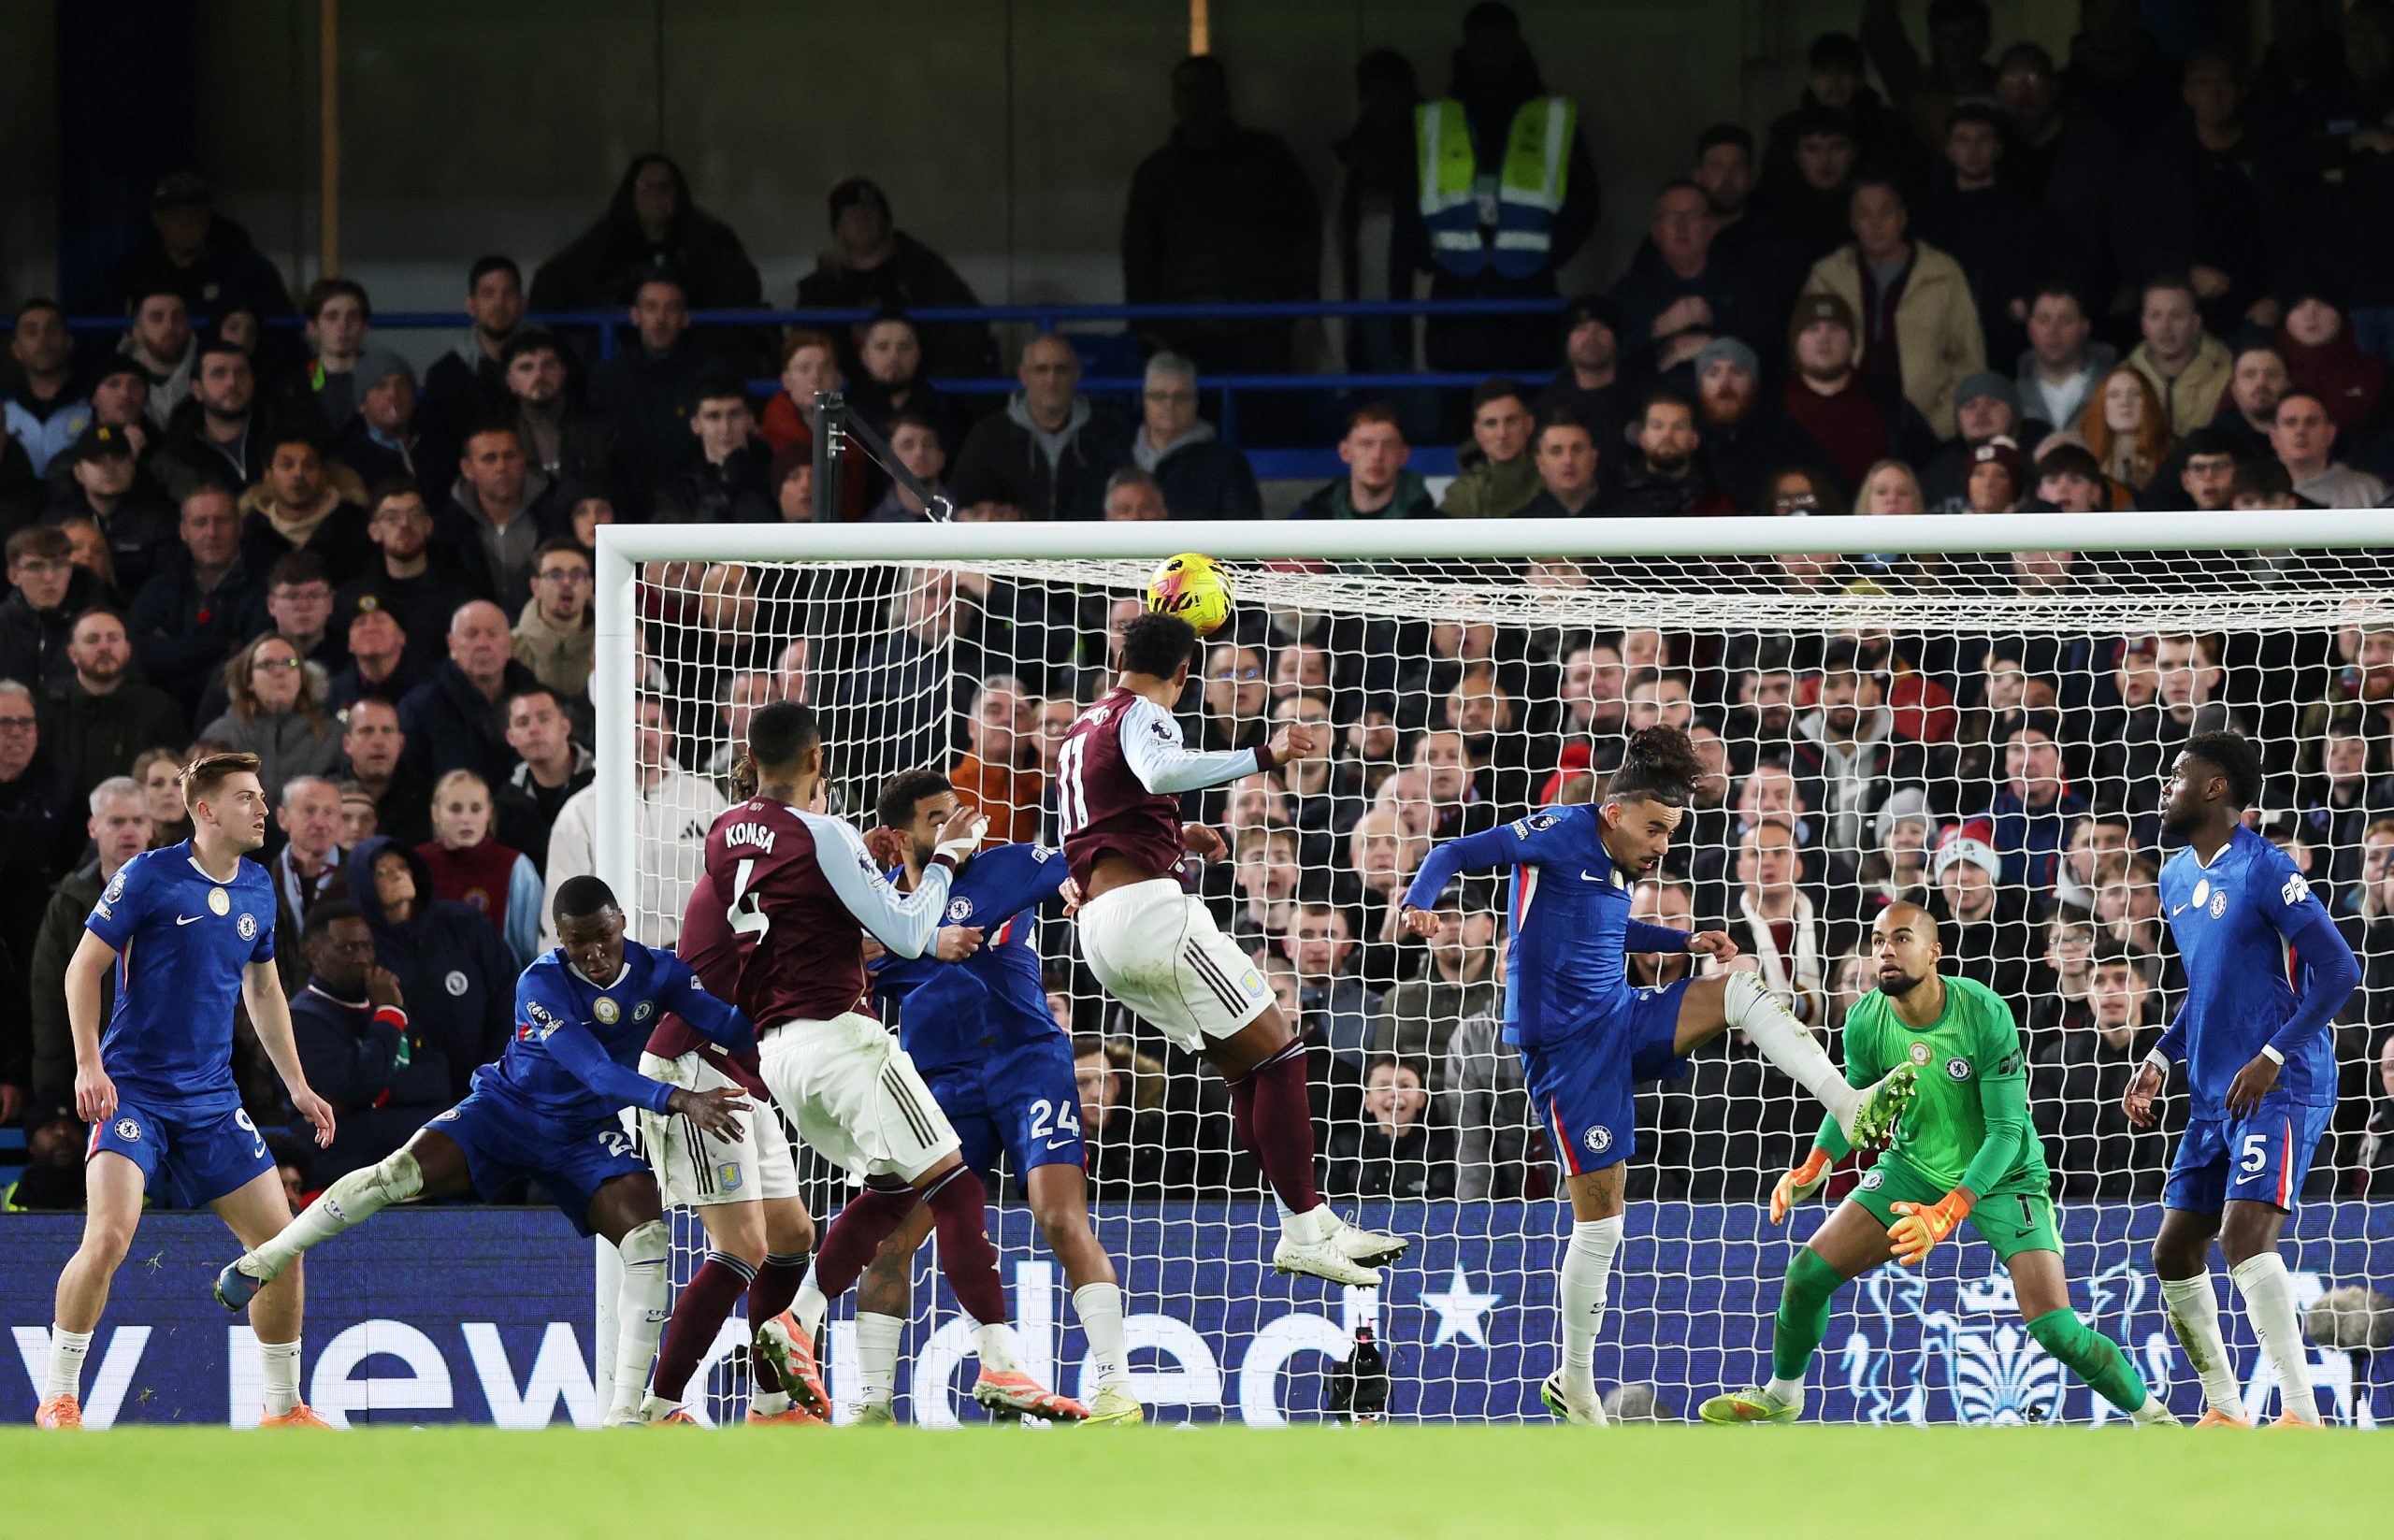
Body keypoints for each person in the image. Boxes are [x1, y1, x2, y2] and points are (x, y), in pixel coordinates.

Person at [1398, 725, 1918, 1424]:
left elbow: (1605, 930)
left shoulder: (1623, 861)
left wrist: (1683, 940)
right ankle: (1574, 1381)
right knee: (1602, 1226)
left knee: (1738, 989)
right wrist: (1419, 900)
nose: (1664, 845)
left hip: (1620, 1016)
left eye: (1671, 832)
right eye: (1655, 829)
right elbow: (1453, 852)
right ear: (1614, 812)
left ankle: (1848, 1105)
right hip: (1567, 1056)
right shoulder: (1557, 830)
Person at [213, 875, 756, 1427]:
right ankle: (269, 1258)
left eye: (602, 937)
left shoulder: (661, 973)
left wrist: (782, 1012)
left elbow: (730, 1026)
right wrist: (681, 1099)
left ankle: (627, 1417)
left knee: (648, 1239)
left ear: (621, 922)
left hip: (582, 1132)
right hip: (505, 1113)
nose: (593, 954)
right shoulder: (540, 982)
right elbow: (594, 1069)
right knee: (394, 1174)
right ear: (560, 938)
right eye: (577, 942)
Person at [701, 700, 1084, 1420]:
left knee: (887, 1193)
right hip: (842, 1039)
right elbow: (907, 932)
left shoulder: (723, 836)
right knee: (957, 1186)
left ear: (750, 761)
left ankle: (798, 1320)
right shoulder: (827, 833)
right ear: (816, 760)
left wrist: (876, 884)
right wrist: (944, 859)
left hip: (779, 1056)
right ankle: (1001, 1367)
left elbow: (811, 918)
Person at [1699, 903, 2173, 1427]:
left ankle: (2155, 1419)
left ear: (1934, 952)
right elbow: (1851, 1101)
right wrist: (1816, 1163)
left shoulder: (1983, 1012)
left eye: (1902, 939)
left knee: (2055, 1329)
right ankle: (1782, 1394)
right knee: (1806, 1275)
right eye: (1878, 941)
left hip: (2003, 1176)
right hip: (1913, 1165)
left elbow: (2007, 1131)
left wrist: (1949, 1210)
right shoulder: (1865, 1018)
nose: (1886, 951)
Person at [1063, 612, 1405, 1283]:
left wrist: (1176, 835)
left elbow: (1101, 821)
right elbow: (1161, 770)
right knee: (1283, 1052)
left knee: (1247, 1067)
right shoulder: (1145, 712)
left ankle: (1313, 1224)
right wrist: (1264, 755)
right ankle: (1304, 1228)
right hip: (1150, 916)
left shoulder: (1083, 725)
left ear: (1119, 659)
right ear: (1186, 672)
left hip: (1102, 927)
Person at [36, 752, 335, 1430]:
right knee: (108, 1237)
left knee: (280, 1248)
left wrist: (296, 1084)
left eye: (261, 797)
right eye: (246, 798)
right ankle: (59, 1396)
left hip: (212, 1101)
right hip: (134, 1094)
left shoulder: (257, 886)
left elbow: (264, 991)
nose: (263, 809)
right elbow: (83, 969)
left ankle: (282, 1409)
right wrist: (88, 1064)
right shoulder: (150, 875)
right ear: (205, 811)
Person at [841, 770, 1143, 1426]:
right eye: (937, 819)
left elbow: (1088, 859)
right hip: (939, 1082)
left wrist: (1102, 876)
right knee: (892, 1238)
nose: (958, 825)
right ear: (901, 837)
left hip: (1028, 1063)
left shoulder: (1007, 865)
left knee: (1058, 1216)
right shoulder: (878, 907)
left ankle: (1117, 1390)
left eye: (958, 811)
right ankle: (870, 1406)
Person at [2124, 732, 2359, 1428]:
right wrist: (2161, 1056)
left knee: (2244, 1236)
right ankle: (2225, 1410)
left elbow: (2340, 971)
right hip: (2212, 1094)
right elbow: (2210, 987)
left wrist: (2274, 1055)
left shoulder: (2266, 868)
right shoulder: (2173, 877)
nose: (2165, 786)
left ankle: (2300, 1414)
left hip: (2282, 1083)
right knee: (2173, 1251)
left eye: (2177, 775)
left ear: (2216, 787)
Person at [633, 806, 825, 1426]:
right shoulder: (751, 877)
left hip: (740, 1070)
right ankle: (659, 1411)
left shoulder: (766, 873)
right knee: (743, 1243)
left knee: (791, 1235)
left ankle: (772, 1407)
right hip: (694, 1066)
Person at [1415, 4, 1598, 373]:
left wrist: (1549, 254)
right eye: (1481, 46)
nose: (1491, 57)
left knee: (1529, 393)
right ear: (1465, 51)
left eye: (1500, 45)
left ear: (1518, 48)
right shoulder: (1437, 118)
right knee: (1457, 393)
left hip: (1527, 286)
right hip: (1457, 285)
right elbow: (1412, 198)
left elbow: (1584, 200)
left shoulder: (1551, 117)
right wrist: (1426, 254)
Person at [1122, 54, 1320, 379]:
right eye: (1185, 90)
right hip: (1184, 329)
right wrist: (1144, 325)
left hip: (1262, 322)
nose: (1195, 99)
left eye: (1204, 88)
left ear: (1223, 96)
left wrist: (1307, 304)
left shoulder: (1268, 158)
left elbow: (1304, 232)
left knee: (1269, 408)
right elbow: (1140, 255)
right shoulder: (1156, 174)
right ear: (1173, 101)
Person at [1799, 177, 1985, 439]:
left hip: (1923, 426)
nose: (1876, 223)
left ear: (1902, 218)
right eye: (1865, 214)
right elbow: (1803, 354)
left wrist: (1938, 425)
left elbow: (1970, 360)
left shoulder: (1942, 274)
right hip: (1841, 421)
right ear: (1852, 222)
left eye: (1885, 212)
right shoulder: (1828, 276)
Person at [285, 900, 453, 1186]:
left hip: (394, 1138)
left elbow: (438, 1078)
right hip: (340, 1153)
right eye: (348, 948)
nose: (363, 958)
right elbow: (360, 1082)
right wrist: (388, 1013)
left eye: (367, 947)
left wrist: (376, 1096)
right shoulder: (303, 1017)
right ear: (314, 953)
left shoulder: (385, 1000)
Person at [26, 776, 151, 1103]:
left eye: (139, 821)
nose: (129, 831)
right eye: (117, 822)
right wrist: (53, 1088)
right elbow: (48, 997)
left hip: (163, 1073)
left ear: (151, 827)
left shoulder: (182, 896)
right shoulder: (68, 903)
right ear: (93, 828)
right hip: (84, 1074)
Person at [798, 180, 991, 381]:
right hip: (843, 387)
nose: (862, 220)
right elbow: (802, 349)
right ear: (838, 225)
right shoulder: (821, 284)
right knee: (819, 390)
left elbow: (967, 331)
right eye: (852, 214)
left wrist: (932, 380)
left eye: (869, 212)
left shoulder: (922, 269)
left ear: (884, 220)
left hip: (912, 386)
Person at [528, 153, 763, 317]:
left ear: (678, 193)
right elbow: (552, 282)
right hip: (623, 348)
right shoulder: (608, 236)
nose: (656, 195)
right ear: (630, 193)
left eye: (665, 187)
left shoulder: (709, 236)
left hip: (698, 349)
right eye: (646, 187)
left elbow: (742, 288)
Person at [945, 334, 1132, 523]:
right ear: (1023, 375)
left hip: (1092, 541)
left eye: (1061, 369)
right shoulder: (988, 436)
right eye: (1041, 370)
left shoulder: (1108, 434)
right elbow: (960, 505)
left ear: (1076, 373)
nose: (1051, 380)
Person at [1606, 181, 1773, 374]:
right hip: (1651, 390)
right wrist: (1657, 329)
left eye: (1692, 216)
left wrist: (1716, 345)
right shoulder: (1628, 291)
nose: (1681, 226)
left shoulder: (1744, 285)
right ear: (1656, 232)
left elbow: (1769, 352)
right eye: (1670, 216)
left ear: (1712, 227)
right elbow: (1604, 359)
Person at [127, 487, 270, 706]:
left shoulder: (266, 586)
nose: (211, 532)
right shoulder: (159, 589)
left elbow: (255, 662)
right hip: (166, 711)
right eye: (200, 523)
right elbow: (139, 654)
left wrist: (173, 651)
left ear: (240, 527)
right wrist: (224, 644)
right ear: (183, 531)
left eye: (221, 521)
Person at [105, 172, 294, 332]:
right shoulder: (133, 272)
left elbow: (282, 333)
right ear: (158, 219)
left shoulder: (248, 270)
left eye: (195, 213)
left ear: (208, 216)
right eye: (176, 213)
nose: (187, 222)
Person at [397, 600, 543, 787]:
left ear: (509, 644)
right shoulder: (419, 708)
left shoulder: (536, 698)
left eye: (492, 634)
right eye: (471, 634)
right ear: (452, 645)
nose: (483, 644)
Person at [339, 483, 469, 677]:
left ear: (428, 526)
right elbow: (325, 665)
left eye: (414, 514)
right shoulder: (352, 599)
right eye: (391, 517)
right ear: (374, 531)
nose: (404, 524)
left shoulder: (460, 596)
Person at [417, 769, 542, 969]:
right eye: (455, 809)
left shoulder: (515, 867)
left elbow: (534, 951)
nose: (466, 819)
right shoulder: (416, 864)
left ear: (489, 813)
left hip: (500, 982)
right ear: (436, 813)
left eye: (476, 809)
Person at [197, 633, 342, 807]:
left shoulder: (332, 735)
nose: (280, 672)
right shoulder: (220, 735)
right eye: (268, 664)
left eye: (290, 663)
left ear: (302, 677)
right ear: (249, 680)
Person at [44, 425, 178, 598]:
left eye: (118, 458)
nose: (109, 468)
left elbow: (168, 588)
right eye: (97, 460)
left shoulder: (161, 520)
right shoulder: (55, 523)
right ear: (78, 473)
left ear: (132, 466)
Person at [1131, 353, 1262, 520]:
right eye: (1159, 396)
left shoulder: (1227, 464)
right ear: (1145, 401)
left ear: (1195, 402)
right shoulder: (1119, 457)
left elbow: (1243, 528)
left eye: (1180, 397)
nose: (1169, 404)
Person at [418, 256, 525, 455]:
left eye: (508, 293)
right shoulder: (445, 376)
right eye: (488, 294)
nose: (499, 303)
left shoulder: (552, 363)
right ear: (471, 305)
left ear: (522, 302)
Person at [2126, 275, 2232, 436]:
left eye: (2176, 316)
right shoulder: (2122, 378)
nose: (2165, 327)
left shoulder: (2228, 377)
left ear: (2195, 323)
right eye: (2155, 316)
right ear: (2144, 325)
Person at [1295, 403, 1435, 520]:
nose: (1377, 455)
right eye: (1366, 444)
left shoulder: (1432, 526)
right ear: (1345, 452)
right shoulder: (1316, 521)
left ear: (1403, 455)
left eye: (1388, 445)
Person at [2013, 281, 2114, 437]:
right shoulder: (2013, 400)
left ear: (2084, 328)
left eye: (2065, 321)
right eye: (2044, 320)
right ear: (2031, 329)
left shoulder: (2116, 390)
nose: (2053, 331)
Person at [8, 300, 90, 477]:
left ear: (68, 342)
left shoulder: (94, 406)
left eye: (52, 331)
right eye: (31, 332)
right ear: (16, 349)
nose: (42, 339)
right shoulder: (5, 414)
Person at [1438, 379, 1540, 519]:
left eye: (1511, 421)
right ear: (1477, 432)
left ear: (1529, 424)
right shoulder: (1463, 493)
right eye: (1491, 423)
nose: (1502, 433)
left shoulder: (1552, 481)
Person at [511, 537, 594, 700]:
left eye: (576, 575)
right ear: (535, 587)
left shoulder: (616, 643)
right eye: (555, 575)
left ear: (589, 586)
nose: (567, 582)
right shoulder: (512, 647)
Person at [2270, 389, 2387, 506]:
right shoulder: (2258, 491)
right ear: (2274, 437)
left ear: (2330, 434)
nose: (2301, 430)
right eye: (2290, 423)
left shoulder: (2368, 490)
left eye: (2311, 422)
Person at [1515, 411, 1602, 518]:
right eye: (1556, 451)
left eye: (1577, 450)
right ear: (1540, 463)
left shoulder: (1621, 514)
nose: (1568, 460)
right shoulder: (1520, 522)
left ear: (1593, 458)